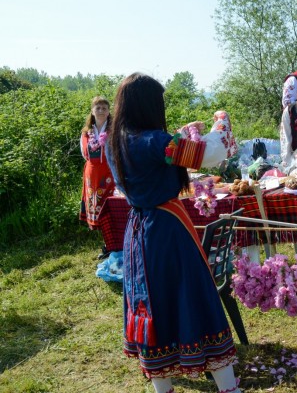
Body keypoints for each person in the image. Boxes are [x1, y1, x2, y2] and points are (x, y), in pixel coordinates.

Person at [106, 73, 242, 393]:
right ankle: (228, 388)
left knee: (153, 304)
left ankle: (162, 388)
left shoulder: (115, 141)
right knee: (194, 297)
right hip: (168, 230)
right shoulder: (153, 141)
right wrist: (221, 122)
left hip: (139, 232)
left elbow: (167, 156)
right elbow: (209, 154)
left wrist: (180, 136)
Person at [79, 96, 115, 258]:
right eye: (97, 108)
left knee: (111, 209)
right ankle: (108, 244)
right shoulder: (86, 133)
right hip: (92, 174)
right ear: (92, 112)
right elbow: (84, 154)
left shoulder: (114, 130)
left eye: (104, 108)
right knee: (97, 209)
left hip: (110, 173)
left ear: (108, 112)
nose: (100, 111)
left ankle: (114, 244)